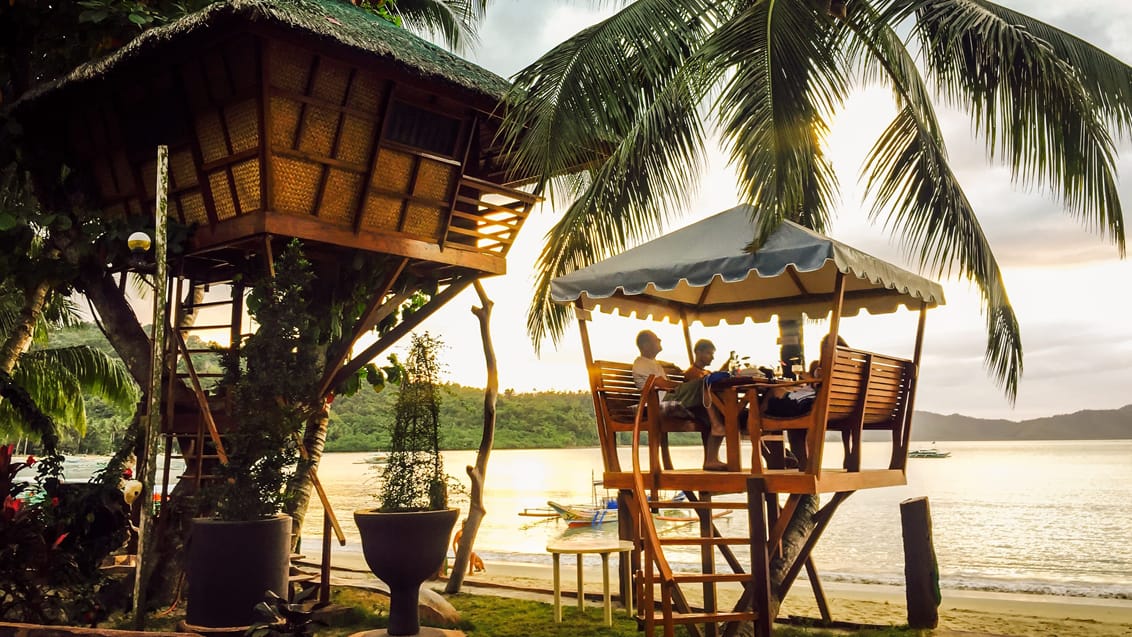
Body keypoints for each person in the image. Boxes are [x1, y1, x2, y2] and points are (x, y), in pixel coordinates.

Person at [632, 331, 727, 471]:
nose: (660, 339)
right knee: (703, 383)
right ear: (646, 344)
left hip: (670, 397)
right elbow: (661, 384)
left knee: (712, 410)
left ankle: (711, 459)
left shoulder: (653, 363)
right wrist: (682, 387)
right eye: (656, 339)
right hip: (659, 403)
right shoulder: (641, 363)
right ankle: (716, 425)